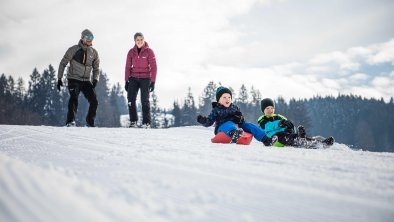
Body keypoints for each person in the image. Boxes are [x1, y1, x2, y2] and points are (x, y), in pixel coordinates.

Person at [197, 86, 272, 145]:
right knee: (228, 123)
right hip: (222, 128)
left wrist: (239, 119)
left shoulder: (234, 108)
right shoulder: (216, 110)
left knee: (249, 125)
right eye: (224, 97)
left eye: (229, 97)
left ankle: (265, 139)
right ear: (218, 100)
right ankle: (234, 134)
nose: (228, 99)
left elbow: (242, 120)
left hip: (237, 127)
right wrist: (204, 121)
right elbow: (209, 122)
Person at [57, 29, 100, 127]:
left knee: (94, 101)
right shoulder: (73, 49)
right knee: (74, 98)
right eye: (87, 37)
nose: (89, 39)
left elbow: (96, 68)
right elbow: (63, 63)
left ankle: (90, 122)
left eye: (91, 37)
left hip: (86, 80)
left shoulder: (94, 52)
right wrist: (59, 79)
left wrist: (95, 79)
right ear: (82, 38)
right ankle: (70, 122)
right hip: (73, 79)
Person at [257, 98, 334, 147]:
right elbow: (267, 126)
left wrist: (291, 127)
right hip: (274, 139)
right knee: (282, 135)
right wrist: (280, 123)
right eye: (267, 108)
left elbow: (289, 123)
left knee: (293, 135)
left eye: (272, 108)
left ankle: (320, 142)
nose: (270, 110)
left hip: (286, 135)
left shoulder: (279, 116)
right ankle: (300, 140)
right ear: (263, 110)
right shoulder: (262, 119)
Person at [124, 32, 157, 128]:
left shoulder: (149, 51)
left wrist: (153, 81)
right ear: (135, 41)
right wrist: (126, 80)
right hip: (133, 78)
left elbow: (154, 67)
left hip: (145, 78)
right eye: (137, 40)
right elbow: (127, 67)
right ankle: (133, 121)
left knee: (145, 100)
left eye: (141, 39)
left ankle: (146, 123)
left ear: (144, 40)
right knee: (130, 99)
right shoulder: (131, 52)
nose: (139, 41)